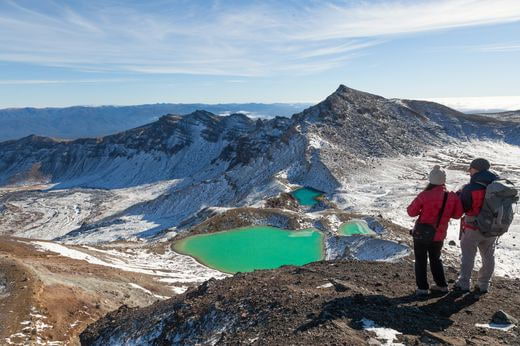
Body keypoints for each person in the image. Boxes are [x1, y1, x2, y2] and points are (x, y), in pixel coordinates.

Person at [407, 165, 463, 296]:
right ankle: (442, 285)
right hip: (439, 234)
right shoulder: (452, 196)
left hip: (421, 234)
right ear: (443, 180)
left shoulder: (424, 195)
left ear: (431, 179)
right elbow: (457, 215)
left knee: (420, 260)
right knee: (436, 259)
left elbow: (411, 212)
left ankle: (422, 289)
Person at [454, 158, 499, 293]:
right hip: (492, 227)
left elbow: (464, 208)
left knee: (468, 255)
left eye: (471, 168)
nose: (469, 171)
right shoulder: (497, 186)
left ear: (477, 169)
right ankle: (484, 284)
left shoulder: (470, 188)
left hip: (473, 227)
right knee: (488, 256)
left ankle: (463, 283)